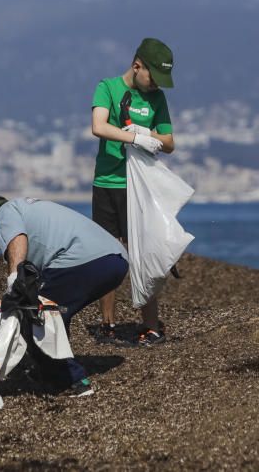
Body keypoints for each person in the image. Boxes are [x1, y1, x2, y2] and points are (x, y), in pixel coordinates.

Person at [0, 196, 129, 396]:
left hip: (84, 259)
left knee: (32, 314)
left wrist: (14, 281)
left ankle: (72, 381)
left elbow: (17, 239)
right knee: (54, 312)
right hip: (116, 261)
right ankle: (51, 373)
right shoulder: (30, 213)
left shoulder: (5, 212)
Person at [90, 37, 176, 346]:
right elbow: (98, 126)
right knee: (108, 254)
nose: (155, 85)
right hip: (107, 184)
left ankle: (151, 326)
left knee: (144, 254)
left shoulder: (157, 99)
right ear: (137, 65)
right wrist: (132, 139)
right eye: (153, 77)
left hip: (139, 186)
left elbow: (169, 142)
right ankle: (107, 324)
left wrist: (145, 133)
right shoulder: (108, 88)